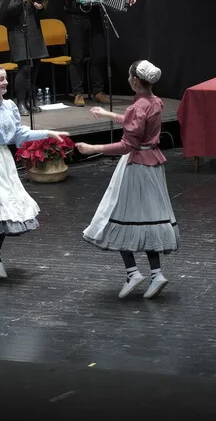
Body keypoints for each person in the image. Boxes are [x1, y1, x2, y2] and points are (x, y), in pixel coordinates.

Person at [76, 60, 178, 300]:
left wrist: (93, 148)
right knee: (149, 218)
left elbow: (127, 144)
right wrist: (109, 114)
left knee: (121, 216)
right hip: (153, 165)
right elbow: (137, 121)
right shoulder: (155, 101)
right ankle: (155, 273)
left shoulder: (137, 107)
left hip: (136, 167)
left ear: (134, 80)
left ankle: (133, 272)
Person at [0, 64, 69, 280]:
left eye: (5, 78)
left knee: (8, 208)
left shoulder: (10, 106)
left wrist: (47, 133)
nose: (5, 83)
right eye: (0, 79)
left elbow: (20, 134)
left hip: (4, 161)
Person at [0, 0, 49, 115]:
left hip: (34, 30)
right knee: (25, 68)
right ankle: (20, 103)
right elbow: (9, 10)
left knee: (35, 67)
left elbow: (43, 3)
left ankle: (31, 100)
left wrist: (41, 6)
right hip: (18, 32)